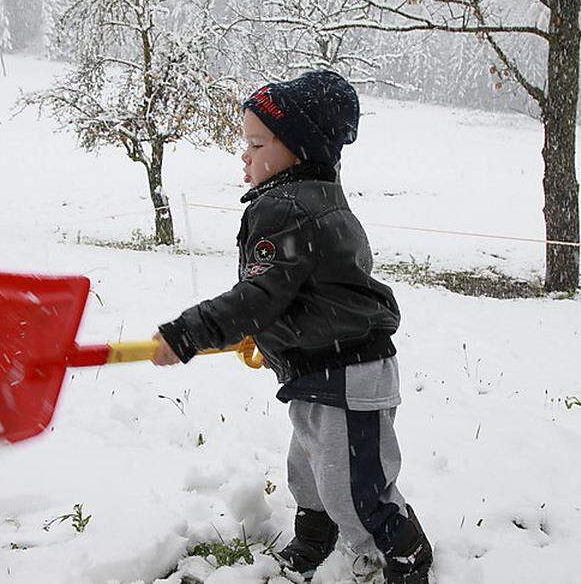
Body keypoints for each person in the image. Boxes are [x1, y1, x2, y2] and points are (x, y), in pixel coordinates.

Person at [152, 70, 432, 582]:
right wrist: (264, 332)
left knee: (354, 487)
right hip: (322, 369)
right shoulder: (314, 200)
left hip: (347, 374)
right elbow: (299, 294)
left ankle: (405, 555)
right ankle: (315, 538)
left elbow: (259, 296)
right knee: (310, 469)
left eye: (257, 144)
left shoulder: (288, 208)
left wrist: (187, 333)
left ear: (299, 150)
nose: (245, 156)